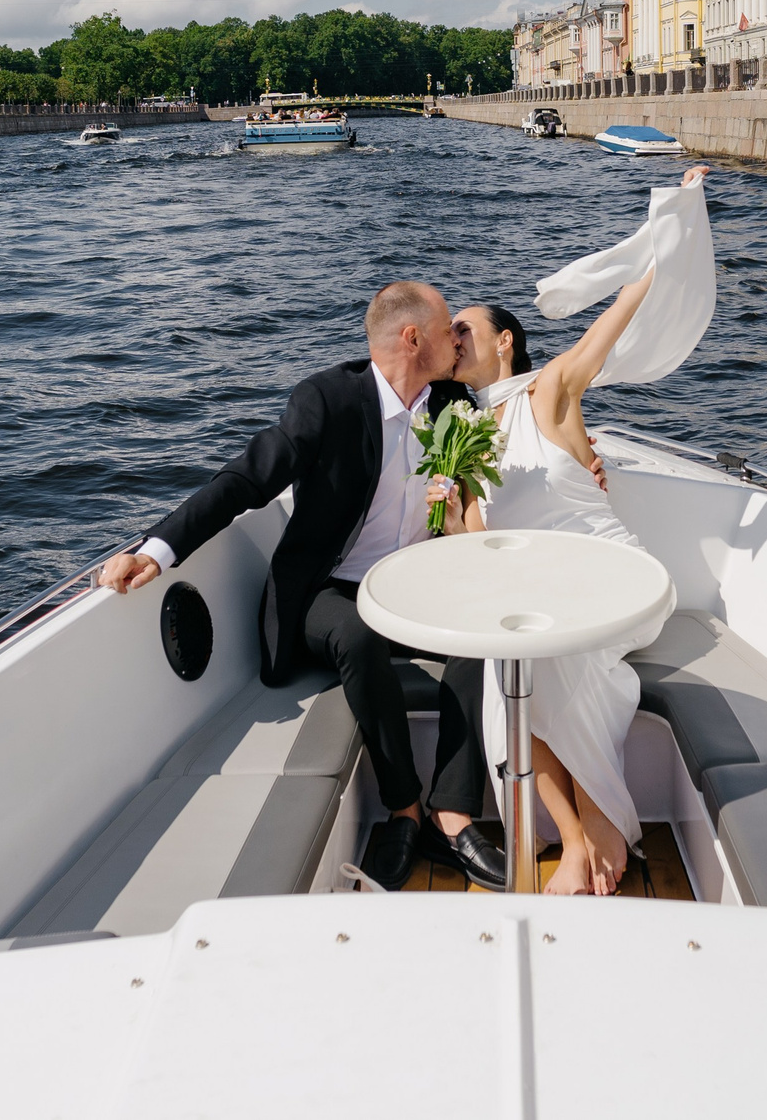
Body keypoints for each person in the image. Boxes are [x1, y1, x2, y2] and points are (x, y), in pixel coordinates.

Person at [96, 281, 511, 894]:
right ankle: (403, 809)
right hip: (330, 590)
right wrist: (158, 550)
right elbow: (245, 479)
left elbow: (530, 396)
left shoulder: (453, 402)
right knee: (356, 636)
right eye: (449, 327)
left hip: (419, 586)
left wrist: (581, 459)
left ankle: (451, 817)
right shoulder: (329, 400)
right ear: (412, 338)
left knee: (486, 635)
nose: (457, 339)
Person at [446, 165, 717, 894]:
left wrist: (678, 216)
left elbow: (625, 307)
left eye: (463, 328)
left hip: (617, 578)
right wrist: (448, 497)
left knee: (544, 658)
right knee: (512, 672)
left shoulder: (551, 387)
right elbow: (470, 546)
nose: (452, 339)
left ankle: (595, 828)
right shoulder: (463, 435)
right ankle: (575, 836)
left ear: (506, 341)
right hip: (542, 592)